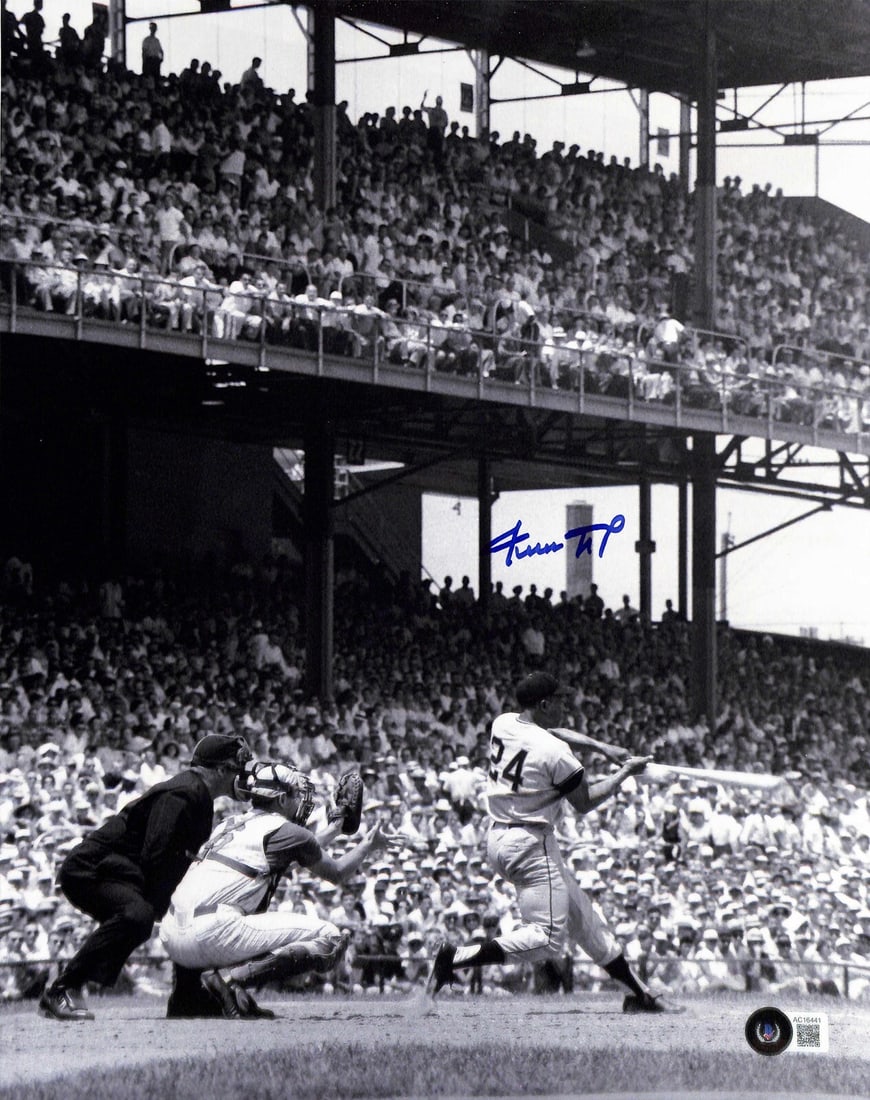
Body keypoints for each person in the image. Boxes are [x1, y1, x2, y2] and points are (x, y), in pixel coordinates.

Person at [426, 672, 684, 1013]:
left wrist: (600, 746)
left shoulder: (503, 723)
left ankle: (639, 993)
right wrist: (625, 774)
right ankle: (455, 957)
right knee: (548, 939)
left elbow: (549, 734)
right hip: (531, 843)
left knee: (584, 919)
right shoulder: (555, 752)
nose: (565, 705)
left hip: (499, 836)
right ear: (544, 704)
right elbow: (585, 802)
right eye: (559, 700)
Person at [38, 734, 252, 1021]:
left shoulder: (197, 794)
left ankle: (187, 998)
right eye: (237, 769)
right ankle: (61, 989)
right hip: (92, 868)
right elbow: (156, 855)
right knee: (139, 916)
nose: (243, 776)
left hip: (122, 870)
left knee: (186, 912)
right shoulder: (183, 793)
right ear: (220, 770)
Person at [159, 762, 393, 1019]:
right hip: (210, 934)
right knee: (331, 939)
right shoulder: (285, 831)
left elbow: (293, 855)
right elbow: (336, 872)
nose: (300, 800)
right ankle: (229, 981)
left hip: (172, 936)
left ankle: (187, 997)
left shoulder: (231, 823)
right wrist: (368, 846)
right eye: (295, 794)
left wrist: (336, 828)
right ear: (281, 799)